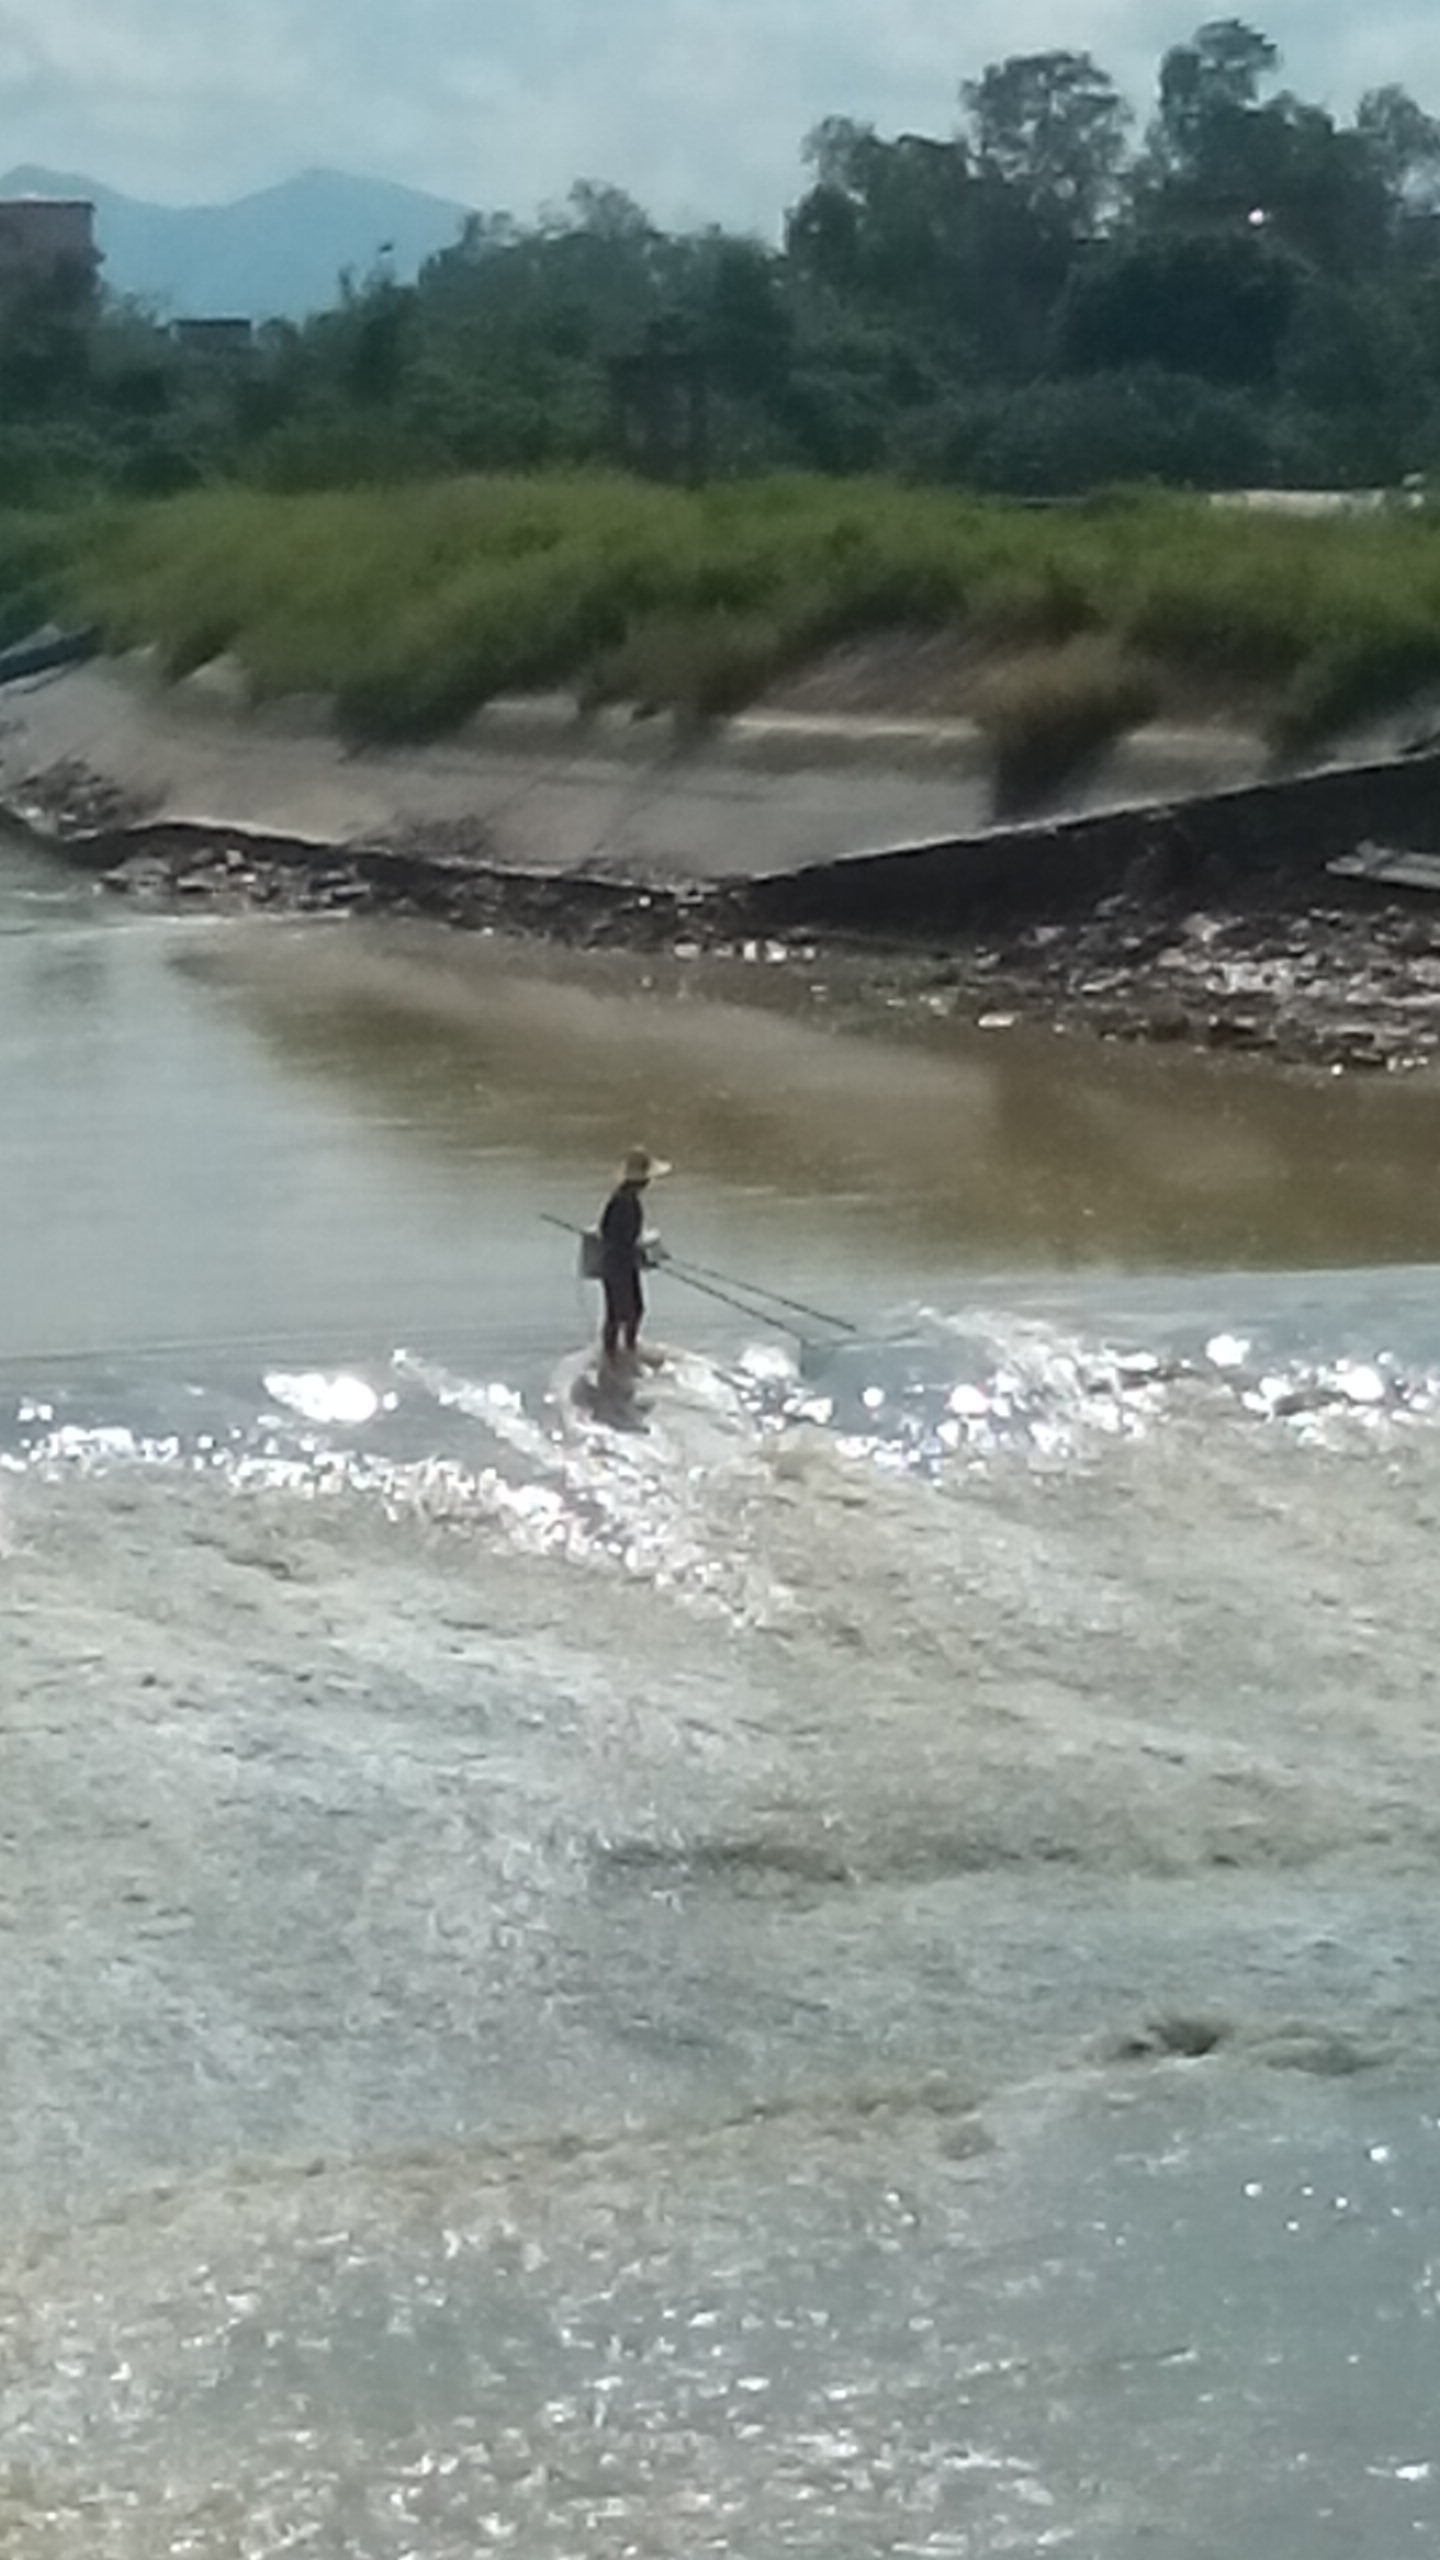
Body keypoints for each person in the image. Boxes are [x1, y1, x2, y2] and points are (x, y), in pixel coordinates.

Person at [599, 1146, 670, 1371]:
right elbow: (616, 1236)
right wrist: (637, 1252)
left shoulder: (624, 1198)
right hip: (619, 1264)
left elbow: (611, 1232)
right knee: (625, 1312)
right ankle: (617, 1354)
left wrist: (639, 1251)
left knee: (625, 1311)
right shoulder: (624, 1202)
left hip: (618, 1263)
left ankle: (621, 1351)